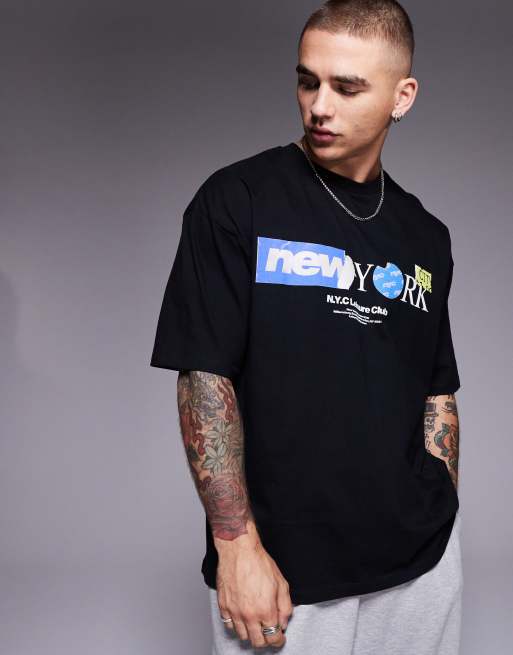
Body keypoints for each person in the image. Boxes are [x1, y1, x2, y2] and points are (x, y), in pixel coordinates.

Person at [150, 0, 463, 652]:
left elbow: (436, 388)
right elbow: (204, 374)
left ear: (401, 97)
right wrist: (235, 546)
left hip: (420, 563)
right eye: (306, 80)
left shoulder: (425, 235)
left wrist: (442, 506)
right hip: (284, 570)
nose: (318, 106)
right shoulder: (236, 200)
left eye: (347, 88)